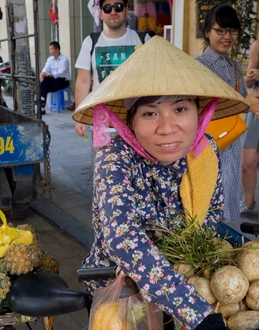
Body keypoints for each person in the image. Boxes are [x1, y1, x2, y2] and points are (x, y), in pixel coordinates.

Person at [72, 36, 248, 330]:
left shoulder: (204, 151)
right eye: (150, 113)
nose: (167, 128)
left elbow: (214, 214)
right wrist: (197, 313)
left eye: (180, 109)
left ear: (199, 113)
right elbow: (123, 238)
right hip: (124, 292)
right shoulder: (115, 158)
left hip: (189, 281)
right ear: (131, 122)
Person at [196, 4, 259, 221]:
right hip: (206, 147)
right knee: (206, 208)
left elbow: (242, 100)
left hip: (230, 145)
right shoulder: (198, 66)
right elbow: (198, 110)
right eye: (220, 30)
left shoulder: (233, 66)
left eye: (232, 31)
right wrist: (244, 102)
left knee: (227, 209)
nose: (227, 36)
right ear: (207, 32)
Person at [74, 0, 150, 136]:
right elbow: (83, 81)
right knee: (102, 158)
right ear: (101, 13)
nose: (113, 12)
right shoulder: (91, 42)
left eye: (118, 7)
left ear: (126, 10)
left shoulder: (144, 40)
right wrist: (80, 117)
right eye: (107, 8)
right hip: (103, 125)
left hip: (137, 123)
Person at [241, 39, 259, 214]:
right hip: (257, 109)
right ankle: (248, 202)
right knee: (247, 162)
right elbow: (248, 83)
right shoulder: (257, 45)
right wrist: (251, 78)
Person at [40, 41, 71, 115]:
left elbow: (61, 72)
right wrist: (42, 74)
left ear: (57, 50)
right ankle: (42, 105)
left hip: (63, 80)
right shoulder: (50, 59)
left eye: (51, 49)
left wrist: (50, 75)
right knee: (44, 81)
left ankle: (41, 102)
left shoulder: (64, 59)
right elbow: (45, 69)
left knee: (44, 85)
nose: (50, 51)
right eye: (49, 49)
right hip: (53, 79)